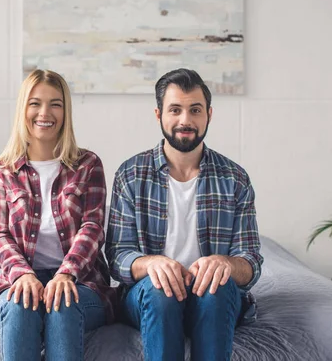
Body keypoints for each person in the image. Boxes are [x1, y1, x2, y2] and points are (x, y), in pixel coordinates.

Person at [105, 68, 263, 361]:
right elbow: (116, 256)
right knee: (158, 288)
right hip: (149, 298)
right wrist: (152, 264)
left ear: (209, 115)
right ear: (158, 114)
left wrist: (225, 263)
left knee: (217, 287)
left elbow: (251, 262)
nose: (185, 120)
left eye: (195, 110)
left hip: (213, 298)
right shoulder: (130, 174)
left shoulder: (235, 178)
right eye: (175, 109)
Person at [0, 69, 114, 361]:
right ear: (23, 109)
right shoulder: (4, 169)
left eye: (55, 103)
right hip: (20, 277)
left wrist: (66, 274)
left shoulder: (88, 164)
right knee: (20, 306)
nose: (45, 113)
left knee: (62, 304)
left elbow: (93, 228)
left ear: (65, 111)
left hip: (81, 282)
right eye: (35, 103)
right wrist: (23, 275)